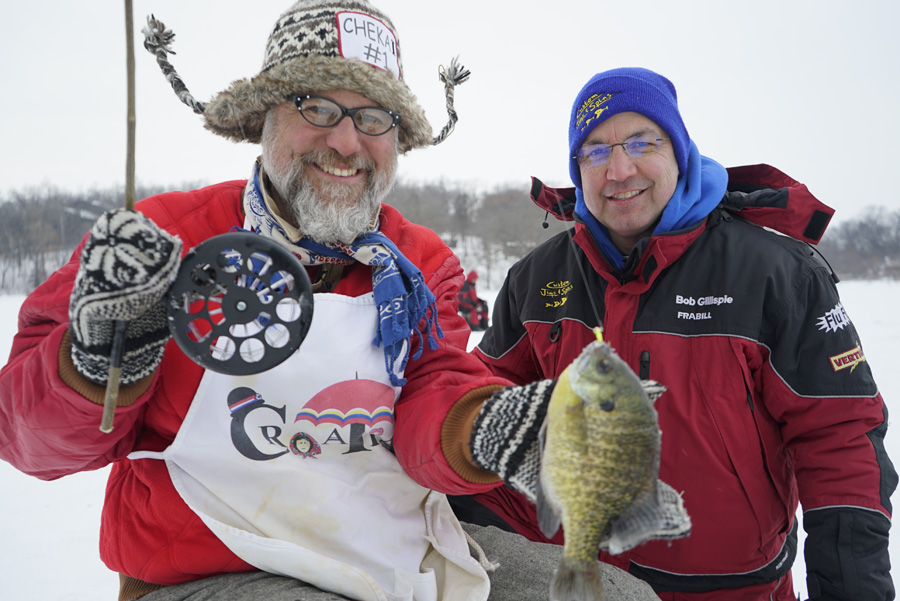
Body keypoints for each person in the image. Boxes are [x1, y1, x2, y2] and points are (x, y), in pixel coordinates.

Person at [0, 4, 665, 601]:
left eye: (374, 118)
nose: (346, 142)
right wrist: (95, 356)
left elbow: (430, 395)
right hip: (208, 564)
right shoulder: (160, 237)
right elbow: (30, 441)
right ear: (264, 117)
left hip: (391, 551)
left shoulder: (419, 261)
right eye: (316, 106)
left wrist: (487, 426)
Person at [455, 67, 898, 600]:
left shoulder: (776, 272)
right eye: (594, 151)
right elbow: (476, 403)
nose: (619, 169)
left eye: (642, 142)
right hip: (575, 574)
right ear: (577, 168)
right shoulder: (538, 277)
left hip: (735, 589)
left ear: (680, 150)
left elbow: (839, 437)